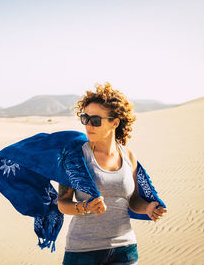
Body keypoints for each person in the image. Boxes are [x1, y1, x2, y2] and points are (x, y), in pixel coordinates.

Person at [58, 82, 167, 265]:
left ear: (114, 122)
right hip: (83, 251)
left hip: (125, 250)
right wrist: (86, 207)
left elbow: (132, 200)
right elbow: (63, 203)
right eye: (85, 118)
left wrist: (147, 208)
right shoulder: (75, 157)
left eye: (96, 120)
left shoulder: (128, 157)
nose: (88, 125)